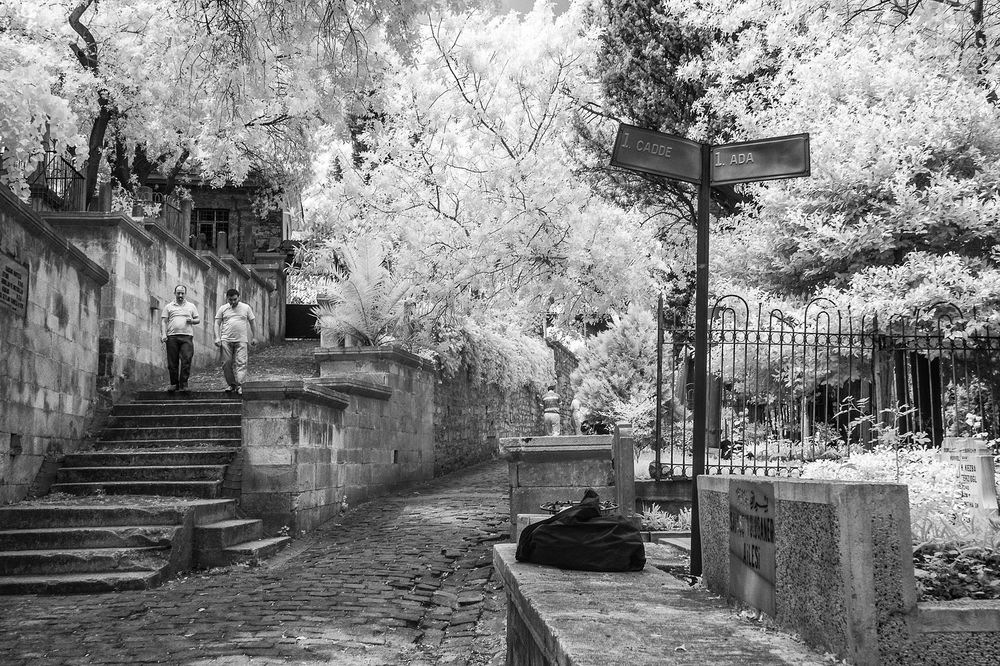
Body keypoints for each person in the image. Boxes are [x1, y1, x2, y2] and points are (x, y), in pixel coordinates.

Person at [214, 288, 257, 395]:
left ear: (238, 297)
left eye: (234, 299)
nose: (232, 302)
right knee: (226, 363)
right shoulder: (223, 308)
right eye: (230, 300)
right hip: (226, 340)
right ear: (227, 298)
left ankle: (240, 385)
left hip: (241, 340)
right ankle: (232, 384)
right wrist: (217, 337)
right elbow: (217, 323)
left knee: (241, 363)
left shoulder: (246, 308)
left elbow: (252, 322)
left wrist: (254, 337)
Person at [160, 284, 200, 393]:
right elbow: (164, 321)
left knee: (186, 359)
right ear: (175, 293)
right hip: (172, 336)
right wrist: (163, 334)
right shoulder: (169, 306)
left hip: (187, 336)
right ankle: (174, 384)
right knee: (172, 362)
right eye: (178, 293)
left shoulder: (191, 306)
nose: (180, 295)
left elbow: (198, 320)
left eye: (182, 293)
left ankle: (184, 384)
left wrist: (191, 321)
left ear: (185, 294)